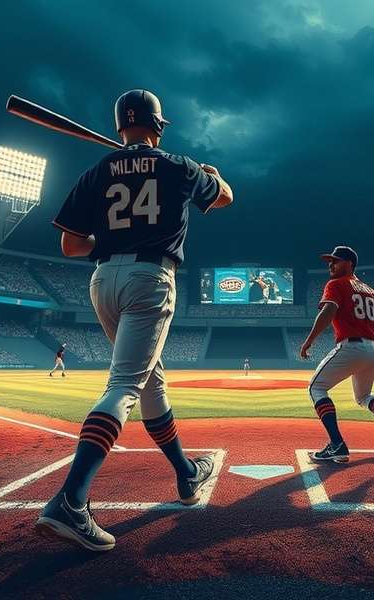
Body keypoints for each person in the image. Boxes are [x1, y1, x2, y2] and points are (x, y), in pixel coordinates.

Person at [36, 89, 234, 551]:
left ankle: (186, 476)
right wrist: (213, 174)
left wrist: (109, 236)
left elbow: (71, 246)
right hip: (150, 276)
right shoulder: (178, 166)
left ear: (118, 128)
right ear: (159, 126)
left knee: (151, 382)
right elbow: (224, 198)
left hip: (103, 280)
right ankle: (70, 500)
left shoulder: (95, 171)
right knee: (125, 385)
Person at [299, 246, 374, 464]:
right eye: (329, 261)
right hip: (372, 351)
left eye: (336, 261)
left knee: (317, 387)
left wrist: (309, 340)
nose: (330, 265)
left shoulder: (336, 284)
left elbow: (328, 310)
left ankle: (337, 444)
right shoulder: (371, 291)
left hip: (351, 346)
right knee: (363, 397)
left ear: (350, 263)